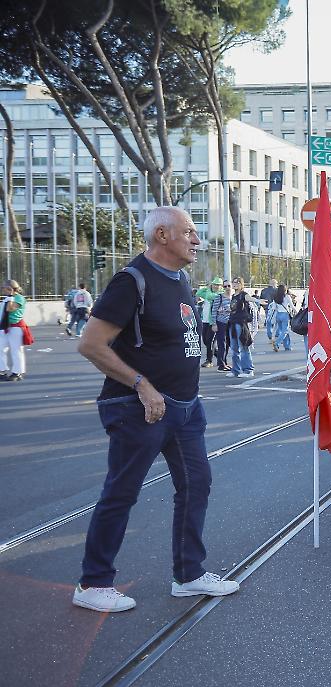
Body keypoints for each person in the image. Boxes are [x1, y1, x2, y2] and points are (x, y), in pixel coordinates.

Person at [73, 206, 238, 613]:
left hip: (185, 408)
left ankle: (189, 574)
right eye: (189, 232)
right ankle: (93, 582)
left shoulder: (181, 279)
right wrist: (142, 385)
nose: (197, 240)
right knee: (122, 492)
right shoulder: (132, 281)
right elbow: (91, 344)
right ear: (162, 235)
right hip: (139, 408)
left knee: (197, 483)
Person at [226, 277, 255, 378]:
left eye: (238, 282)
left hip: (240, 324)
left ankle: (248, 370)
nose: (235, 284)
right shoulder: (233, 296)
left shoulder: (243, 294)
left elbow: (249, 298)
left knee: (243, 346)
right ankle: (236, 370)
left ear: (241, 284)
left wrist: (258, 300)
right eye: (234, 282)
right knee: (234, 348)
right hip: (232, 323)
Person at [1, 279, 28, 381]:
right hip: (4, 327)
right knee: (1, 349)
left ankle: (17, 372)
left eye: (4, 287)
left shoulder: (19, 298)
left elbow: (10, 309)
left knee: (16, 350)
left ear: (10, 288)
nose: (2, 289)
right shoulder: (7, 298)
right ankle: (2, 370)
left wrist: (11, 296)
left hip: (15, 327)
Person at [195, 277, 221, 368]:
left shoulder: (219, 294)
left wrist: (209, 289)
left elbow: (210, 296)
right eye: (215, 284)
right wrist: (207, 287)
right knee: (205, 341)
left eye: (218, 285)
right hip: (205, 321)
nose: (216, 286)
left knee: (210, 341)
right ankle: (220, 356)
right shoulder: (208, 292)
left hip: (213, 322)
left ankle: (209, 361)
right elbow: (198, 293)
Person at [210, 281, 232, 371]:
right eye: (225, 286)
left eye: (229, 286)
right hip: (221, 322)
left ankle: (225, 362)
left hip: (230, 323)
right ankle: (221, 364)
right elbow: (214, 310)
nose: (227, 288)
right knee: (221, 343)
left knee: (228, 343)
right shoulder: (219, 297)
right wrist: (214, 324)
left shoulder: (233, 297)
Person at [267, 284, 295, 352]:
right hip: (285, 315)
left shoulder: (276, 297)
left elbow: (274, 308)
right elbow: (292, 306)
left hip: (278, 315)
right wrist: (297, 313)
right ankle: (277, 343)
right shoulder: (287, 297)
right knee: (284, 331)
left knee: (282, 331)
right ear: (285, 290)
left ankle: (287, 347)